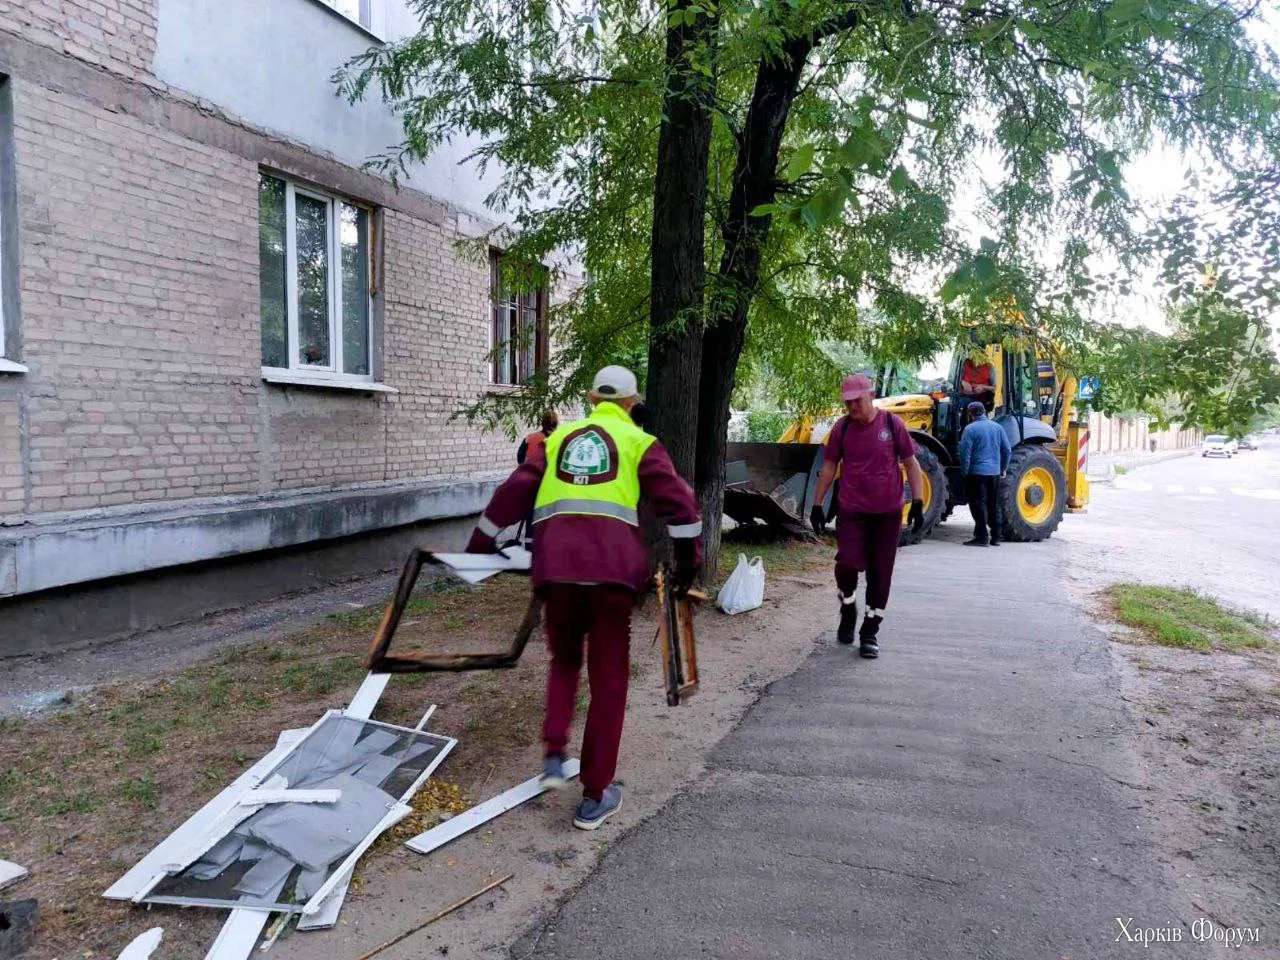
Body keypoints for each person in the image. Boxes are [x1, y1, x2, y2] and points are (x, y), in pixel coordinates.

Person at [465, 366, 701, 830]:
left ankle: (555, 754)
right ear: (633, 403)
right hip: (612, 577)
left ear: (593, 398)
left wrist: (480, 547)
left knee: (565, 661)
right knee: (609, 680)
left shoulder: (558, 438)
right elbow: (681, 504)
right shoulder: (638, 442)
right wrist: (688, 564)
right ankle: (596, 793)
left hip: (557, 571)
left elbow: (514, 490)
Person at [808, 374, 925, 658]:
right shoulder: (842, 428)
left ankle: (869, 632)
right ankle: (848, 607)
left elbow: (911, 463)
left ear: (870, 396)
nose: (851, 407)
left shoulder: (891, 424)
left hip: (887, 514)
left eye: (856, 401)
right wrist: (817, 503)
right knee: (847, 563)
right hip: (851, 511)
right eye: (847, 403)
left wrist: (919, 502)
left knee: (880, 574)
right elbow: (829, 466)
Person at [959, 401, 1012, 547]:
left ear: (970, 414)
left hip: (976, 474)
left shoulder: (970, 429)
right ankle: (996, 537)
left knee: (978, 505)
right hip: (994, 473)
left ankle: (982, 537)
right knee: (993, 504)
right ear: (984, 412)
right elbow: (1007, 450)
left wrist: (965, 472)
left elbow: (965, 453)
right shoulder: (998, 428)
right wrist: (1003, 468)